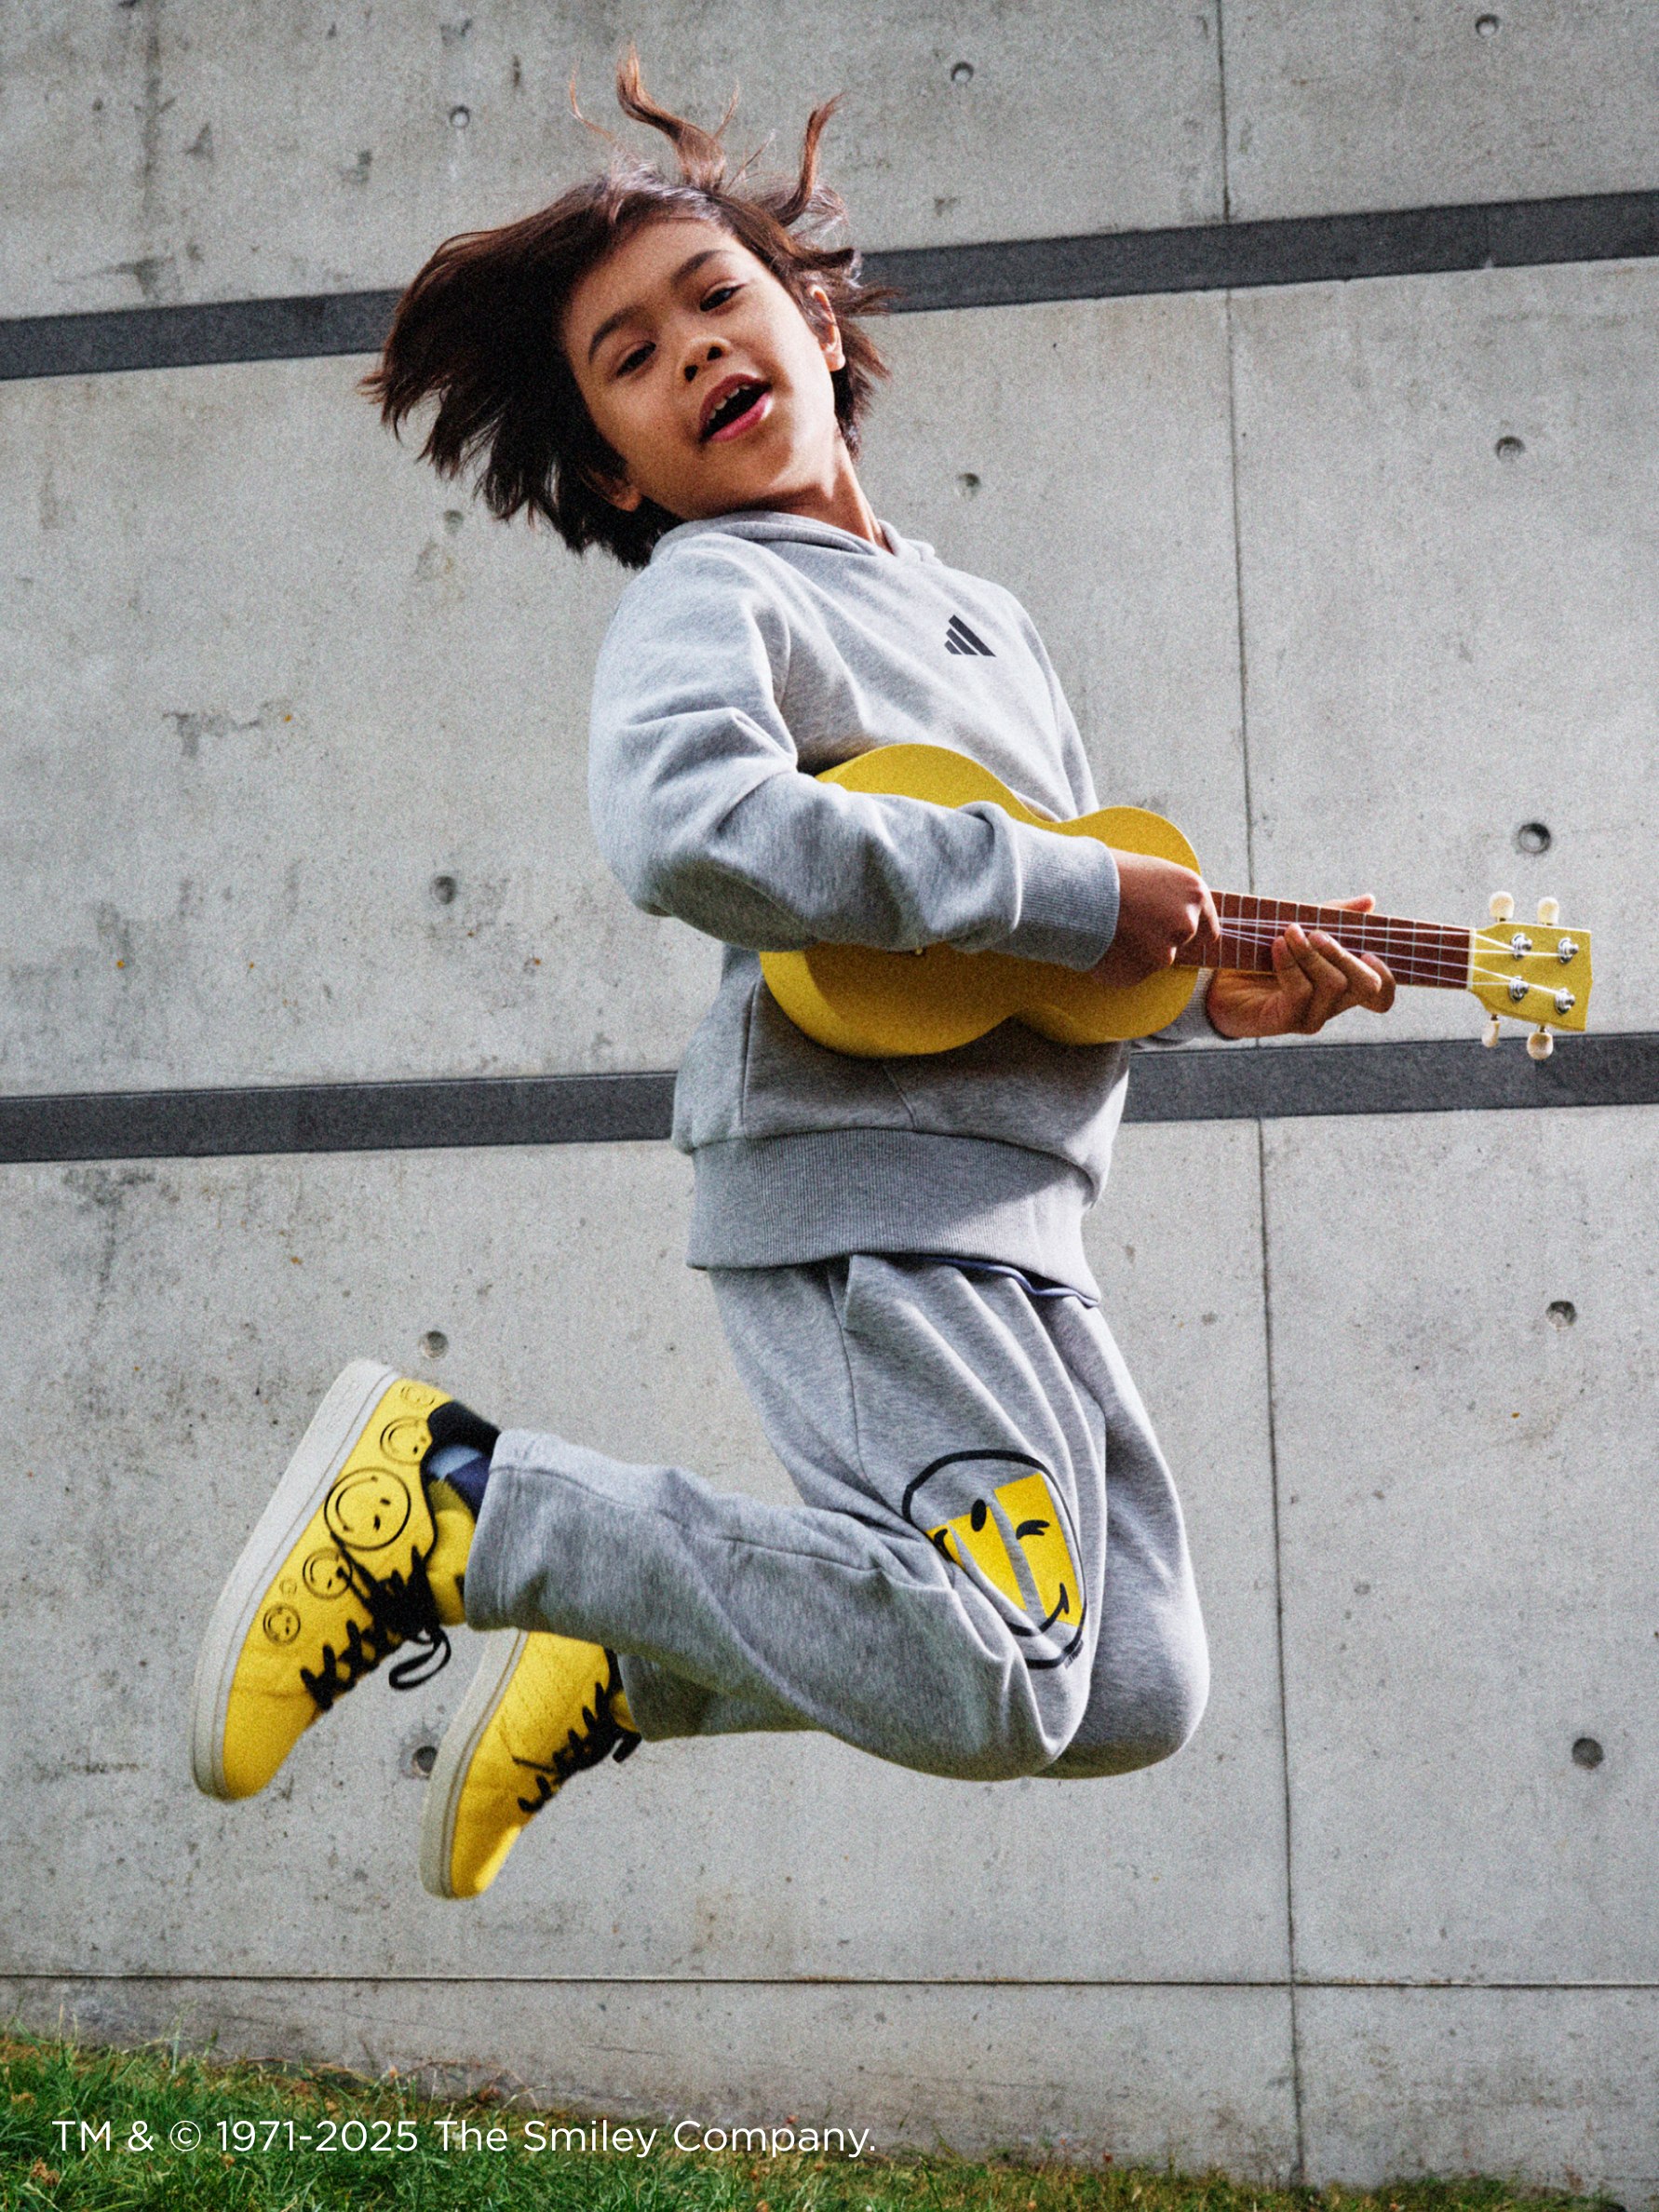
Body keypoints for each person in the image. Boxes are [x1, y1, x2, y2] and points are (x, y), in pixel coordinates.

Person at [189, 55, 1396, 1900]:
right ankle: (452, 1508)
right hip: (867, 1208)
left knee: (1133, 1683)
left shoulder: (984, 618)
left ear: (814, 318)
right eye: (630, 358)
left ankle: (644, 1657)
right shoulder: (714, 596)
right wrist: (1080, 894)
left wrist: (1198, 988)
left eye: (713, 302)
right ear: (618, 464)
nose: (689, 353)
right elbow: (690, 827)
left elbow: (1006, 955)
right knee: (1001, 1673)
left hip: (1019, 1216)